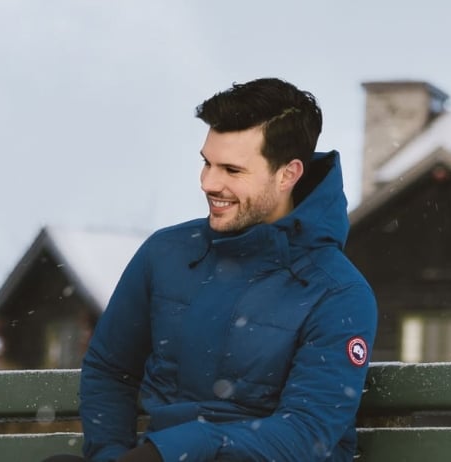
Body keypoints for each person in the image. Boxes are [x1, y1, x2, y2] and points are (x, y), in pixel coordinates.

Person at [73, 78, 379, 462]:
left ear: (287, 174)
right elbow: (110, 368)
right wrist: (111, 455)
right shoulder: (166, 253)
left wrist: (181, 449)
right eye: (207, 162)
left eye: (232, 170)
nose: (209, 183)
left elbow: (306, 433)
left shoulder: (337, 293)